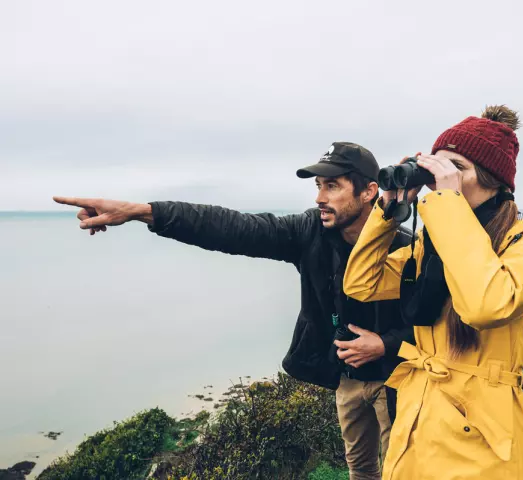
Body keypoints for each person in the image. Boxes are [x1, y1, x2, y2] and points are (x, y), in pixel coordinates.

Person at [53, 142, 413, 480]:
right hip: (346, 379)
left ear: (368, 191)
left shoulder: (407, 249)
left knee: (402, 468)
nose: (319, 198)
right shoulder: (310, 232)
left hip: (396, 378)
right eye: (318, 186)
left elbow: (437, 325)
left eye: (332, 186)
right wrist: (143, 212)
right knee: (360, 468)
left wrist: (384, 344)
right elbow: (233, 228)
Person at [342, 107, 523, 480]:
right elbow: (362, 283)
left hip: (481, 439)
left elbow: (486, 305)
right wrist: (388, 212)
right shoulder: (435, 243)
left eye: (455, 167)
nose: (441, 179)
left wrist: (446, 205)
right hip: (418, 416)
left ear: (492, 179)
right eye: (436, 168)